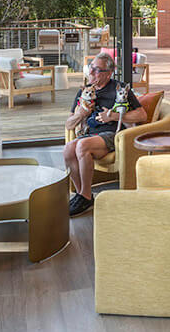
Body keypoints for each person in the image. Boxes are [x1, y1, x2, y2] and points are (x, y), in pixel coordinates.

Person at [62, 51, 146, 216]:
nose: (92, 73)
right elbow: (69, 124)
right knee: (68, 150)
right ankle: (82, 195)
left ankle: (85, 196)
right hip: (89, 134)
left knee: (82, 146)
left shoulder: (119, 89)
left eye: (97, 70)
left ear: (109, 73)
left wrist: (114, 116)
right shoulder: (84, 92)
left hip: (112, 135)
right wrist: (81, 114)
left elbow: (142, 115)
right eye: (91, 68)